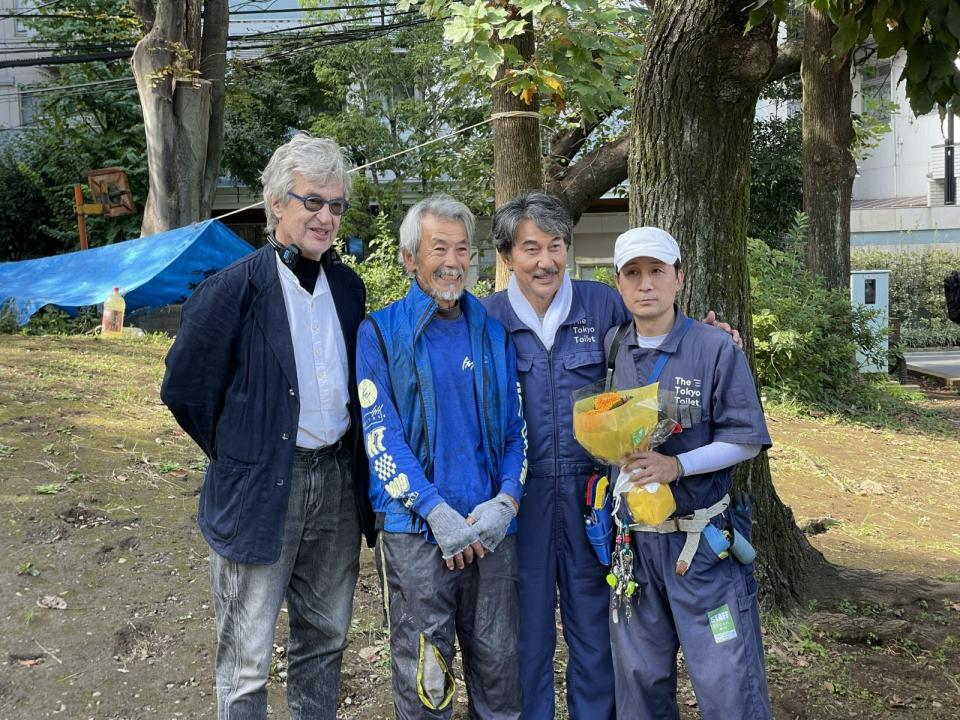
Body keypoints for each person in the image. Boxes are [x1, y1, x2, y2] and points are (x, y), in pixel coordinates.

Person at [482, 192, 740, 720]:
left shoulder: (601, 304)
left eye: (556, 246)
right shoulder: (482, 320)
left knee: (597, 631)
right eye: (531, 248)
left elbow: (660, 337)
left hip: (592, 498)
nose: (546, 261)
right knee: (524, 635)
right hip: (519, 499)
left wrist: (713, 341)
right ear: (507, 256)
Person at [161, 134, 376, 719]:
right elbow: (185, 390)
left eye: (336, 205)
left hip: (335, 487)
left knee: (325, 640)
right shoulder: (231, 290)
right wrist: (244, 452)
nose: (326, 216)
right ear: (277, 204)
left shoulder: (349, 290)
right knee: (246, 661)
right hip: (259, 491)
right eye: (313, 201)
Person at [355, 194, 528, 720]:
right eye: (438, 249)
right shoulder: (380, 334)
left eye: (462, 249)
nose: (453, 261)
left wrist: (507, 501)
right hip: (416, 535)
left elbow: (517, 433)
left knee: (499, 672)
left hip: (491, 533)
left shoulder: (493, 332)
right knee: (427, 678)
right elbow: (380, 435)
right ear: (411, 259)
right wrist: (433, 510)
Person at [604, 226, 772, 719]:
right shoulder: (614, 348)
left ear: (680, 278)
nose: (646, 284)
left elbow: (745, 439)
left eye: (657, 271)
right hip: (633, 549)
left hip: (701, 550)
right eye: (633, 273)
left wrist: (676, 465)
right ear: (618, 284)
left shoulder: (714, 348)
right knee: (639, 680)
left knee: (726, 680)